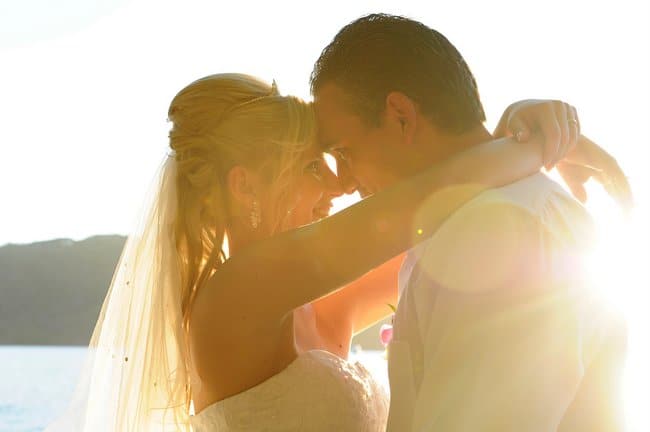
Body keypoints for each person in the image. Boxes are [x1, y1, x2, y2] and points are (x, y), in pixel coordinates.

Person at [44, 72, 624, 431]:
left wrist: (512, 133)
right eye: (308, 165)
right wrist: (533, 142)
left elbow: (451, 219)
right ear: (245, 186)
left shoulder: (324, 306)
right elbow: (420, 203)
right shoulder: (236, 293)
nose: (338, 183)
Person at [310, 13, 630, 432]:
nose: (346, 182)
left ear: (401, 116)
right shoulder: (478, 220)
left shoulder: (492, 234)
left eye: (346, 151)